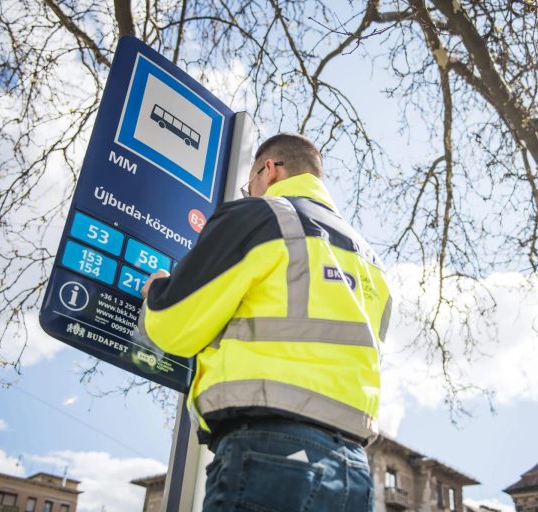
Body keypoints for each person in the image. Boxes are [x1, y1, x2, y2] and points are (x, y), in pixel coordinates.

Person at [138, 132, 392, 512]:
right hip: (354, 471)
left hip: (268, 451)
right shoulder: (374, 266)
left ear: (268, 170)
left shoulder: (261, 216)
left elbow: (174, 327)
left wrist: (157, 290)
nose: (249, 192)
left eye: (250, 183)